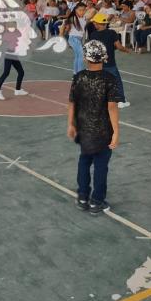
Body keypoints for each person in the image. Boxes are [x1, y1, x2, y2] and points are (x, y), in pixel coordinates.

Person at [67, 39, 121, 215]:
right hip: (103, 130)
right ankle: (96, 201)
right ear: (104, 58)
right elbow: (111, 107)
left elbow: (72, 103)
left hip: (84, 129)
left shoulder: (79, 77)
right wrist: (116, 132)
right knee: (100, 166)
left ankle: (82, 197)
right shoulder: (110, 79)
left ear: (85, 58)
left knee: (84, 161)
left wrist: (71, 124)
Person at [89, 12, 131, 108]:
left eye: (95, 22)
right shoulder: (112, 33)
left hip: (97, 63)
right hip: (110, 63)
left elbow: (91, 49)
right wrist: (126, 50)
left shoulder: (93, 35)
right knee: (116, 81)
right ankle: (121, 101)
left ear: (99, 23)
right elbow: (119, 46)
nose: (94, 24)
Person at [0, 23, 29, 100]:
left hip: (13, 55)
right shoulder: (7, 34)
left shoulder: (14, 32)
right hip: (8, 55)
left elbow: (19, 35)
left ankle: (18, 90)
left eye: (15, 25)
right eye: (12, 26)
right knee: (6, 72)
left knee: (21, 72)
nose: (14, 27)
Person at [64, 2, 87, 75]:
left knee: (78, 56)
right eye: (80, 10)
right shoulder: (73, 18)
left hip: (78, 40)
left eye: (84, 10)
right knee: (81, 56)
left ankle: (75, 73)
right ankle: (79, 74)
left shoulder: (83, 18)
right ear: (76, 10)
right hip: (73, 39)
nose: (82, 12)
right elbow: (65, 26)